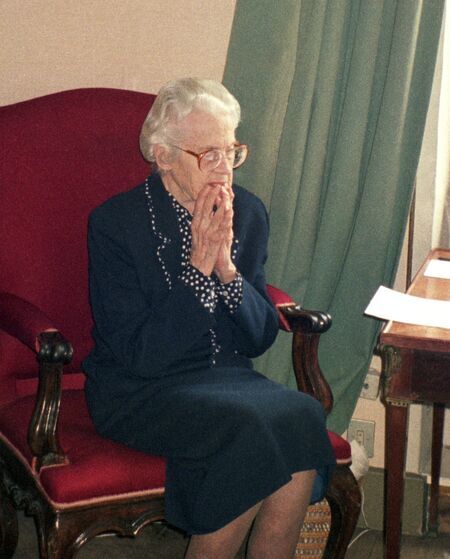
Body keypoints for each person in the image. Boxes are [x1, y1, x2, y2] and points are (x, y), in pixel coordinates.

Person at [83, 78, 335, 559]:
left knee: (302, 412)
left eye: (231, 152)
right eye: (209, 155)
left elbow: (259, 339)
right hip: (138, 390)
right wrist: (199, 271)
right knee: (250, 429)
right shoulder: (116, 225)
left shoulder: (248, 212)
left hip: (228, 379)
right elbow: (141, 355)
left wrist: (227, 271)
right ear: (164, 156)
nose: (224, 169)